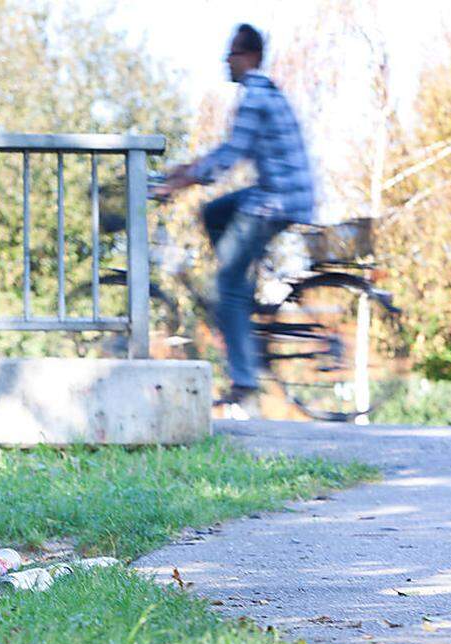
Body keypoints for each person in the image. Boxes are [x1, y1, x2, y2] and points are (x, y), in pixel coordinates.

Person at [153, 23, 315, 412]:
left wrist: (183, 181)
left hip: (277, 200)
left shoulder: (255, 95)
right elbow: (228, 150)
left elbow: (233, 154)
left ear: (252, 57)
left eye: (234, 52)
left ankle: (243, 379)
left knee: (226, 281)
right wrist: (187, 170)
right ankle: (244, 283)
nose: (227, 59)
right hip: (277, 193)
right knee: (214, 211)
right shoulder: (260, 92)